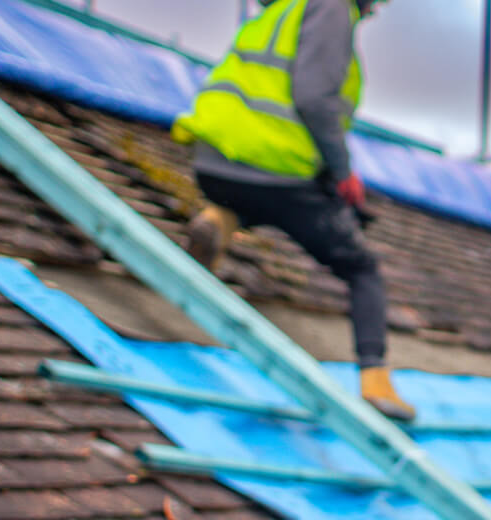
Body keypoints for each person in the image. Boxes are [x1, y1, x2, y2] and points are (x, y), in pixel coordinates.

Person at [171, 0, 415, 421]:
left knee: (244, 203)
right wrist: (340, 173)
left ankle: (219, 221)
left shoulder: (280, 11)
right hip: (276, 168)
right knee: (362, 269)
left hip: (214, 163)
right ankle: (376, 380)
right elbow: (315, 98)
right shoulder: (333, 9)